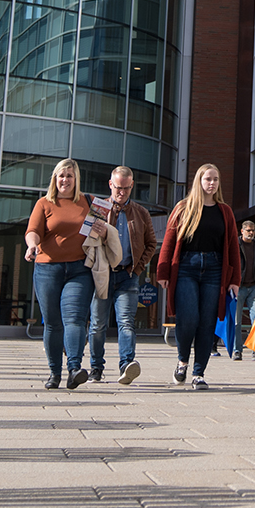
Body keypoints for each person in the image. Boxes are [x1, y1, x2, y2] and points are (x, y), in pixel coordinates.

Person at [154, 163, 241, 389]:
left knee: (207, 322)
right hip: (186, 268)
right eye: (208, 179)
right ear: (199, 181)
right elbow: (169, 241)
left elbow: (232, 247)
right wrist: (162, 271)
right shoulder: (183, 208)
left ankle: (198, 373)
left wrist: (235, 280)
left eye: (215, 180)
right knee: (189, 317)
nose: (212, 183)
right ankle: (182, 361)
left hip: (215, 269)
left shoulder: (225, 212)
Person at [25, 159, 96, 390]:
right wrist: (32, 246)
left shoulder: (88, 202)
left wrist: (103, 230)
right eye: (61, 176)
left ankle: (74, 369)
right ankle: (54, 373)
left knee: (75, 319)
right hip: (48, 268)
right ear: (55, 179)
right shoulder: (44, 203)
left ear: (76, 180)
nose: (65, 180)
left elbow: (102, 227)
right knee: (53, 324)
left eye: (70, 176)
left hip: (79, 269)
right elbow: (33, 231)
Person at [87, 165, 154, 386]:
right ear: (110, 184)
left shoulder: (141, 213)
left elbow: (151, 244)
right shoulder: (100, 208)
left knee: (126, 322)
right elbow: (87, 241)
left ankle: (127, 365)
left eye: (126, 188)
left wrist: (136, 269)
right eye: (118, 188)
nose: (121, 192)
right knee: (97, 324)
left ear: (132, 185)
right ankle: (96, 368)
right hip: (103, 274)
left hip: (127, 275)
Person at [233, 220, 255, 360]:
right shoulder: (235, 245)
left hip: (254, 286)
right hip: (238, 286)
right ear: (242, 231)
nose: (251, 233)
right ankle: (237, 350)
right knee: (236, 321)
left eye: (253, 230)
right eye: (248, 230)